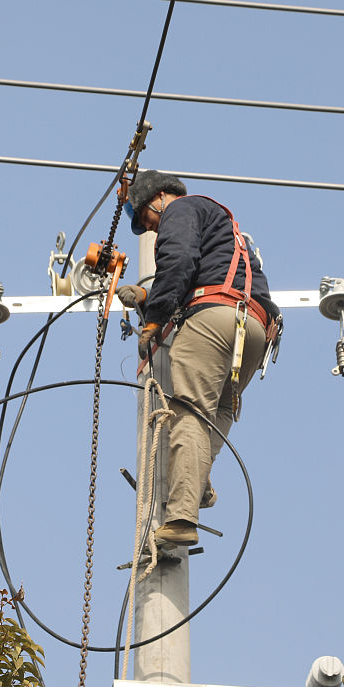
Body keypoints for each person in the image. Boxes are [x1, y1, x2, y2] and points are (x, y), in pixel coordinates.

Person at [115, 170, 280, 548]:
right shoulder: (226, 229)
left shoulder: (182, 209)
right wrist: (147, 299)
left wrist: (153, 319)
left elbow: (179, 260)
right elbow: (201, 269)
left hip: (214, 320)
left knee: (189, 410)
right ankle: (196, 479)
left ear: (158, 198)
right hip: (253, 330)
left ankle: (180, 517)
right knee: (218, 413)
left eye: (146, 220)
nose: (152, 229)